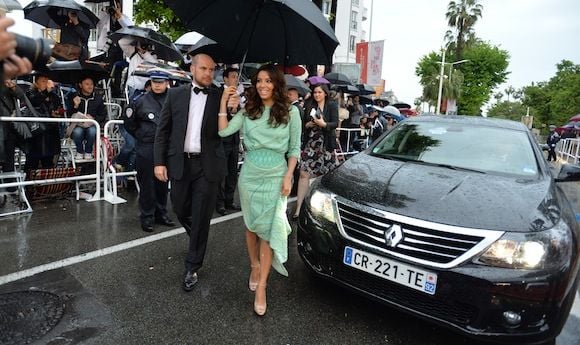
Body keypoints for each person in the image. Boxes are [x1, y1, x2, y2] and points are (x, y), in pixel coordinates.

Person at [217, 64, 301, 316]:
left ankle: (262, 285)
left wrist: (289, 177)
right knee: (252, 227)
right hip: (250, 175)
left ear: (277, 83)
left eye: (268, 81)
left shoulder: (291, 112)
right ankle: (254, 265)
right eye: (259, 81)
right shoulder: (249, 110)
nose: (263, 85)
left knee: (267, 231)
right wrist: (224, 101)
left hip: (276, 176)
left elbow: (294, 149)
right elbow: (224, 131)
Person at [154, 53, 239, 292]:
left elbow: (229, 129)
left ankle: (192, 266)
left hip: (208, 164)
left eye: (212, 70)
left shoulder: (220, 96)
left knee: (202, 214)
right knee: (179, 207)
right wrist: (159, 162)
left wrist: (231, 108)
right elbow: (163, 131)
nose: (208, 74)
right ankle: (197, 237)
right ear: (192, 69)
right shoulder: (175, 94)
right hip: (180, 162)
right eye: (204, 69)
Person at [123, 71, 174, 232]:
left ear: (167, 83)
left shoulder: (172, 100)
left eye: (161, 82)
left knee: (162, 183)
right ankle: (147, 216)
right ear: (150, 83)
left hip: (165, 147)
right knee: (147, 184)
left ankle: (161, 213)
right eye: (154, 82)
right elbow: (129, 123)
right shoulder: (140, 101)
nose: (157, 85)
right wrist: (141, 135)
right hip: (147, 146)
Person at [292, 84, 338, 220]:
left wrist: (323, 124)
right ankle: (298, 208)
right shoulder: (309, 104)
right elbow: (304, 123)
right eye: (315, 92)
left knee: (325, 177)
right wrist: (309, 124)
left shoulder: (332, 105)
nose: (316, 95)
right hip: (311, 143)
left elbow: (335, 123)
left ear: (325, 93)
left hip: (326, 144)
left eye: (319, 92)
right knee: (303, 174)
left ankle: (321, 211)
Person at [215, 67, 242, 215]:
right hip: (222, 139)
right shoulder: (220, 93)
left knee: (232, 171)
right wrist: (227, 108)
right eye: (232, 76)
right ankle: (219, 203)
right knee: (221, 172)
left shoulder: (238, 95)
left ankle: (229, 200)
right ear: (225, 79)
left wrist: (235, 110)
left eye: (237, 77)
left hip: (234, 139)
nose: (235, 79)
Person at [24, 74, 63, 173]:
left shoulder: (54, 96)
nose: (46, 83)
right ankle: (29, 185)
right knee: (32, 164)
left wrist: (57, 113)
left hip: (51, 134)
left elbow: (59, 109)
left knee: (49, 165)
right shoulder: (30, 93)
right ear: (36, 83)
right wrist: (46, 92)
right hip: (35, 133)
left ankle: (46, 186)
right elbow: (33, 102)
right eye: (43, 81)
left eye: (47, 81)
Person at [66, 76, 107, 160]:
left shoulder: (98, 98)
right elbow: (69, 114)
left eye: (91, 84)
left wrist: (93, 119)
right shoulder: (73, 96)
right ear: (80, 85)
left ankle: (88, 151)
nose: (90, 86)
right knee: (77, 132)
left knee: (92, 131)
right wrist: (75, 106)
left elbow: (103, 114)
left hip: (92, 124)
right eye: (87, 84)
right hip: (77, 125)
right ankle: (79, 151)